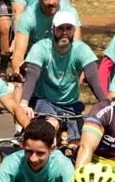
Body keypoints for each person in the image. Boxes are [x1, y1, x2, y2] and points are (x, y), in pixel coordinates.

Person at [19, 10, 103, 142]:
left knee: (76, 143)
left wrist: (105, 104)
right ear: (53, 29)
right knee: (51, 126)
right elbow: (32, 76)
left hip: (71, 105)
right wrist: (23, 103)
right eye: (60, 28)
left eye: (68, 28)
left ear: (74, 30)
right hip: (44, 101)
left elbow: (93, 78)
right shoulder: (40, 48)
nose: (64, 32)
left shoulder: (81, 50)